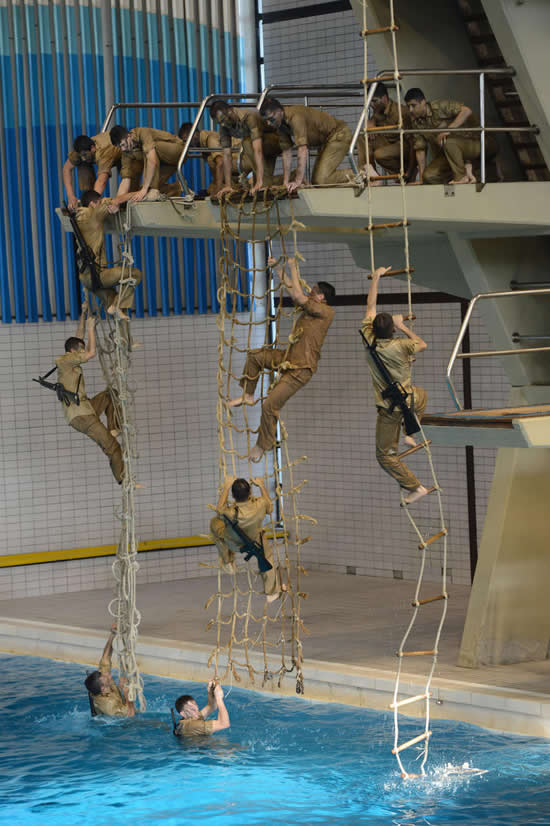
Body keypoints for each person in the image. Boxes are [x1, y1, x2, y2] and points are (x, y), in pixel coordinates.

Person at [229, 256, 335, 462]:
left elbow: (297, 295)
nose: (310, 292)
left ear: (322, 297)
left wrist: (293, 267)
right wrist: (279, 269)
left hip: (300, 370)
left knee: (269, 406)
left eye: (314, 290)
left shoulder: (327, 312)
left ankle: (262, 446)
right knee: (255, 357)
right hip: (288, 358)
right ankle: (248, 394)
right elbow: (293, 290)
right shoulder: (312, 308)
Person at [361, 266, 429, 505]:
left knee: (385, 456)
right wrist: (403, 326)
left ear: (374, 329)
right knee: (422, 395)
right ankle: (410, 434)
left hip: (390, 408)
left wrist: (376, 277)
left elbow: (370, 305)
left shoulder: (368, 339)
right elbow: (422, 344)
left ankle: (415, 485)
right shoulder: (401, 345)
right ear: (391, 330)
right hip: (411, 399)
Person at [56, 306, 124, 483]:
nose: (82, 352)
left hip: (85, 408)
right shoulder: (65, 360)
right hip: (82, 415)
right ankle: (123, 480)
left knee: (111, 394)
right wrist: (91, 329)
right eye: (81, 350)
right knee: (113, 448)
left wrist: (83, 314)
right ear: (73, 352)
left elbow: (78, 337)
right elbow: (91, 353)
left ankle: (113, 428)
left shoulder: (69, 359)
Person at [210, 476, 284, 602]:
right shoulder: (260, 504)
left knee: (214, 524)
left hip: (234, 545)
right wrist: (261, 485)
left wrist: (226, 486)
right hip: (256, 542)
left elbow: (219, 510)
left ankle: (227, 561)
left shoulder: (230, 512)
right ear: (250, 492)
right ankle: (271, 592)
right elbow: (270, 508)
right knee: (268, 558)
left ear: (233, 496)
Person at [404, 87, 498, 185]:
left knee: (448, 141)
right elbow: (420, 149)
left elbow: (466, 111)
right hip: (448, 153)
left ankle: (462, 176)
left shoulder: (439, 107)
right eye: (408, 106)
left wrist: (448, 130)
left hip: (473, 142)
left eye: (413, 105)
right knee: (429, 176)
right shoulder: (415, 122)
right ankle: (459, 179)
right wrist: (421, 178)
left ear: (423, 102)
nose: (410, 110)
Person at [259, 96, 353, 191]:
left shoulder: (295, 117)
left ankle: (358, 173)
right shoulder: (280, 124)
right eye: (267, 120)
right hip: (326, 141)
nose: (269, 123)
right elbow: (287, 152)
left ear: (279, 111)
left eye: (271, 119)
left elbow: (303, 150)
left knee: (322, 180)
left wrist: (298, 181)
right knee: (316, 182)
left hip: (339, 134)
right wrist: (285, 182)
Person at [75, 189, 143, 321]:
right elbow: (116, 201)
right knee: (135, 274)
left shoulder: (78, 215)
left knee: (112, 299)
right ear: (92, 204)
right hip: (98, 275)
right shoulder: (93, 214)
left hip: (85, 278)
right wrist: (141, 191)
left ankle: (117, 314)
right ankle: (117, 306)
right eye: (99, 202)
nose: (101, 203)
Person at [208, 100, 281, 197]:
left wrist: (260, 181)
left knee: (246, 143)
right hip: (260, 145)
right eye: (219, 122)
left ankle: (263, 182)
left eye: (223, 120)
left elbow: (258, 150)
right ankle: (265, 182)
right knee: (264, 182)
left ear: (230, 111)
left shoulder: (248, 116)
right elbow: (227, 155)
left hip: (276, 141)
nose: (222, 125)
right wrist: (228, 186)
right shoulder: (224, 126)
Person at [357, 82, 416, 184]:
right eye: (370, 102)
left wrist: (410, 171)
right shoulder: (378, 110)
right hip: (389, 145)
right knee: (363, 135)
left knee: (379, 154)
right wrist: (371, 122)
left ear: (384, 99)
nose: (371, 105)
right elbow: (374, 119)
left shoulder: (400, 112)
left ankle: (403, 172)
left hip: (404, 148)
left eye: (374, 101)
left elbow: (413, 144)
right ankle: (371, 176)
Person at [109, 124, 184, 201]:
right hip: (166, 163)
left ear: (129, 136)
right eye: (120, 147)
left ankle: (154, 190)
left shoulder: (142, 133)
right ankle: (177, 187)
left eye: (123, 145)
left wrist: (144, 189)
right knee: (146, 190)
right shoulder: (126, 152)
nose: (123, 149)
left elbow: (152, 160)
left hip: (178, 150)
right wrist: (117, 201)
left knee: (148, 152)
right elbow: (125, 179)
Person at [178, 122, 253, 196]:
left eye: (186, 141)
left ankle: (230, 188)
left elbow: (220, 163)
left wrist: (218, 189)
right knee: (211, 188)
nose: (187, 145)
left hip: (245, 160)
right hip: (239, 161)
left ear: (195, 134)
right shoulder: (203, 143)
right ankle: (233, 187)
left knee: (212, 160)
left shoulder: (210, 139)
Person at [84, 625, 136, 717]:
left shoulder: (101, 682)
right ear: (103, 688)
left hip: (120, 706)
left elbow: (106, 657)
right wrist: (126, 692)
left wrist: (112, 634)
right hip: (119, 722)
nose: (107, 674)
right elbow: (131, 714)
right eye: (105, 677)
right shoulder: (109, 705)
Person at [62, 133, 121, 211]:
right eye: (81, 155)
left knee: (128, 175)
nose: (83, 158)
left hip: (121, 154)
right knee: (82, 163)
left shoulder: (104, 151)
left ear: (92, 148)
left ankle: (92, 202)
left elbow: (101, 181)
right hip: (97, 154)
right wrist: (70, 196)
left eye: (84, 155)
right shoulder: (81, 150)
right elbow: (66, 169)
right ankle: (88, 199)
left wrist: (92, 205)